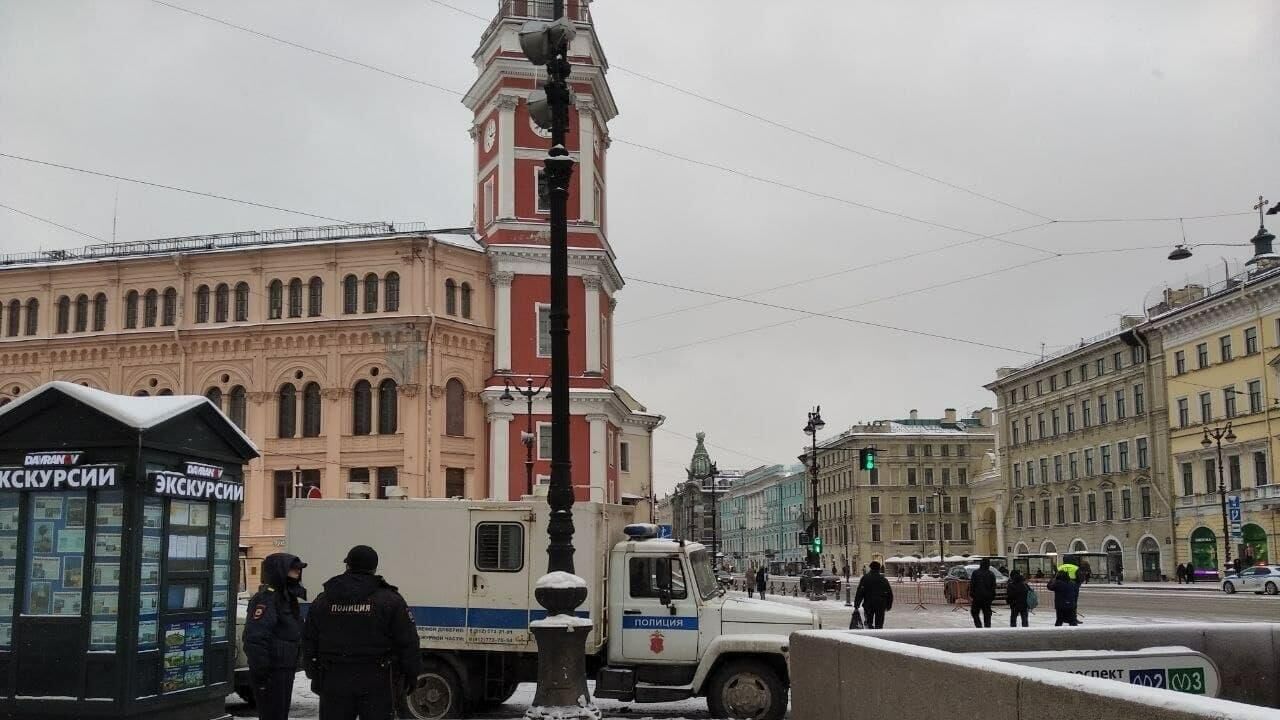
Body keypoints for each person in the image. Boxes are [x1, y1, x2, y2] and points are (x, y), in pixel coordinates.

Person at [303, 545, 422, 720]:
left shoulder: (324, 599)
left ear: (347, 566)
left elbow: (309, 639)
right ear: (374, 568)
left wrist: (313, 673)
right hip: (377, 679)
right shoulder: (390, 600)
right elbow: (408, 642)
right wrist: (411, 674)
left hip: (334, 677)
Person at [242, 553, 308, 720]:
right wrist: (262, 673)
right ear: (280, 571)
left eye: (298, 569)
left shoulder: (286, 597)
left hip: (284, 667)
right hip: (272, 670)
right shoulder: (267, 598)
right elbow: (255, 638)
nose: (298, 573)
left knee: (280, 715)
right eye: (293, 569)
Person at [853, 561, 893, 629]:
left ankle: (870, 633)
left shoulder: (865, 578)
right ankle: (878, 635)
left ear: (870, 568)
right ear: (879, 569)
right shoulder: (883, 579)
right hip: (880, 604)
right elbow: (889, 593)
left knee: (869, 622)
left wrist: (857, 604)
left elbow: (860, 592)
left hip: (868, 604)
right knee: (879, 623)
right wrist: (888, 605)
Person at [969, 558, 997, 628]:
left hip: (977, 597)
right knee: (987, 614)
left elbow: (972, 585)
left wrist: (972, 594)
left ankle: (979, 626)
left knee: (974, 612)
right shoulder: (991, 574)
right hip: (987, 598)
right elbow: (993, 586)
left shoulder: (975, 573)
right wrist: (992, 596)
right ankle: (987, 627)